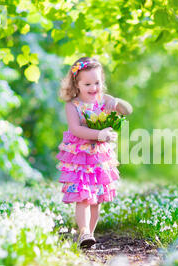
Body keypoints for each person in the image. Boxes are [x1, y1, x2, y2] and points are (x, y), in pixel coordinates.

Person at [57, 56, 133, 248]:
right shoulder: (72, 105)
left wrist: (116, 101)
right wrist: (99, 134)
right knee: (83, 196)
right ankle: (83, 233)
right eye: (88, 84)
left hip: (99, 159)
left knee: (96, 200)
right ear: (77, 84)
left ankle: (90, 234)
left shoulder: (103, 99)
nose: (93, 88)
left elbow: (128, 111)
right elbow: (76, 129)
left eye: (97, 82)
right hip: (80, 158)